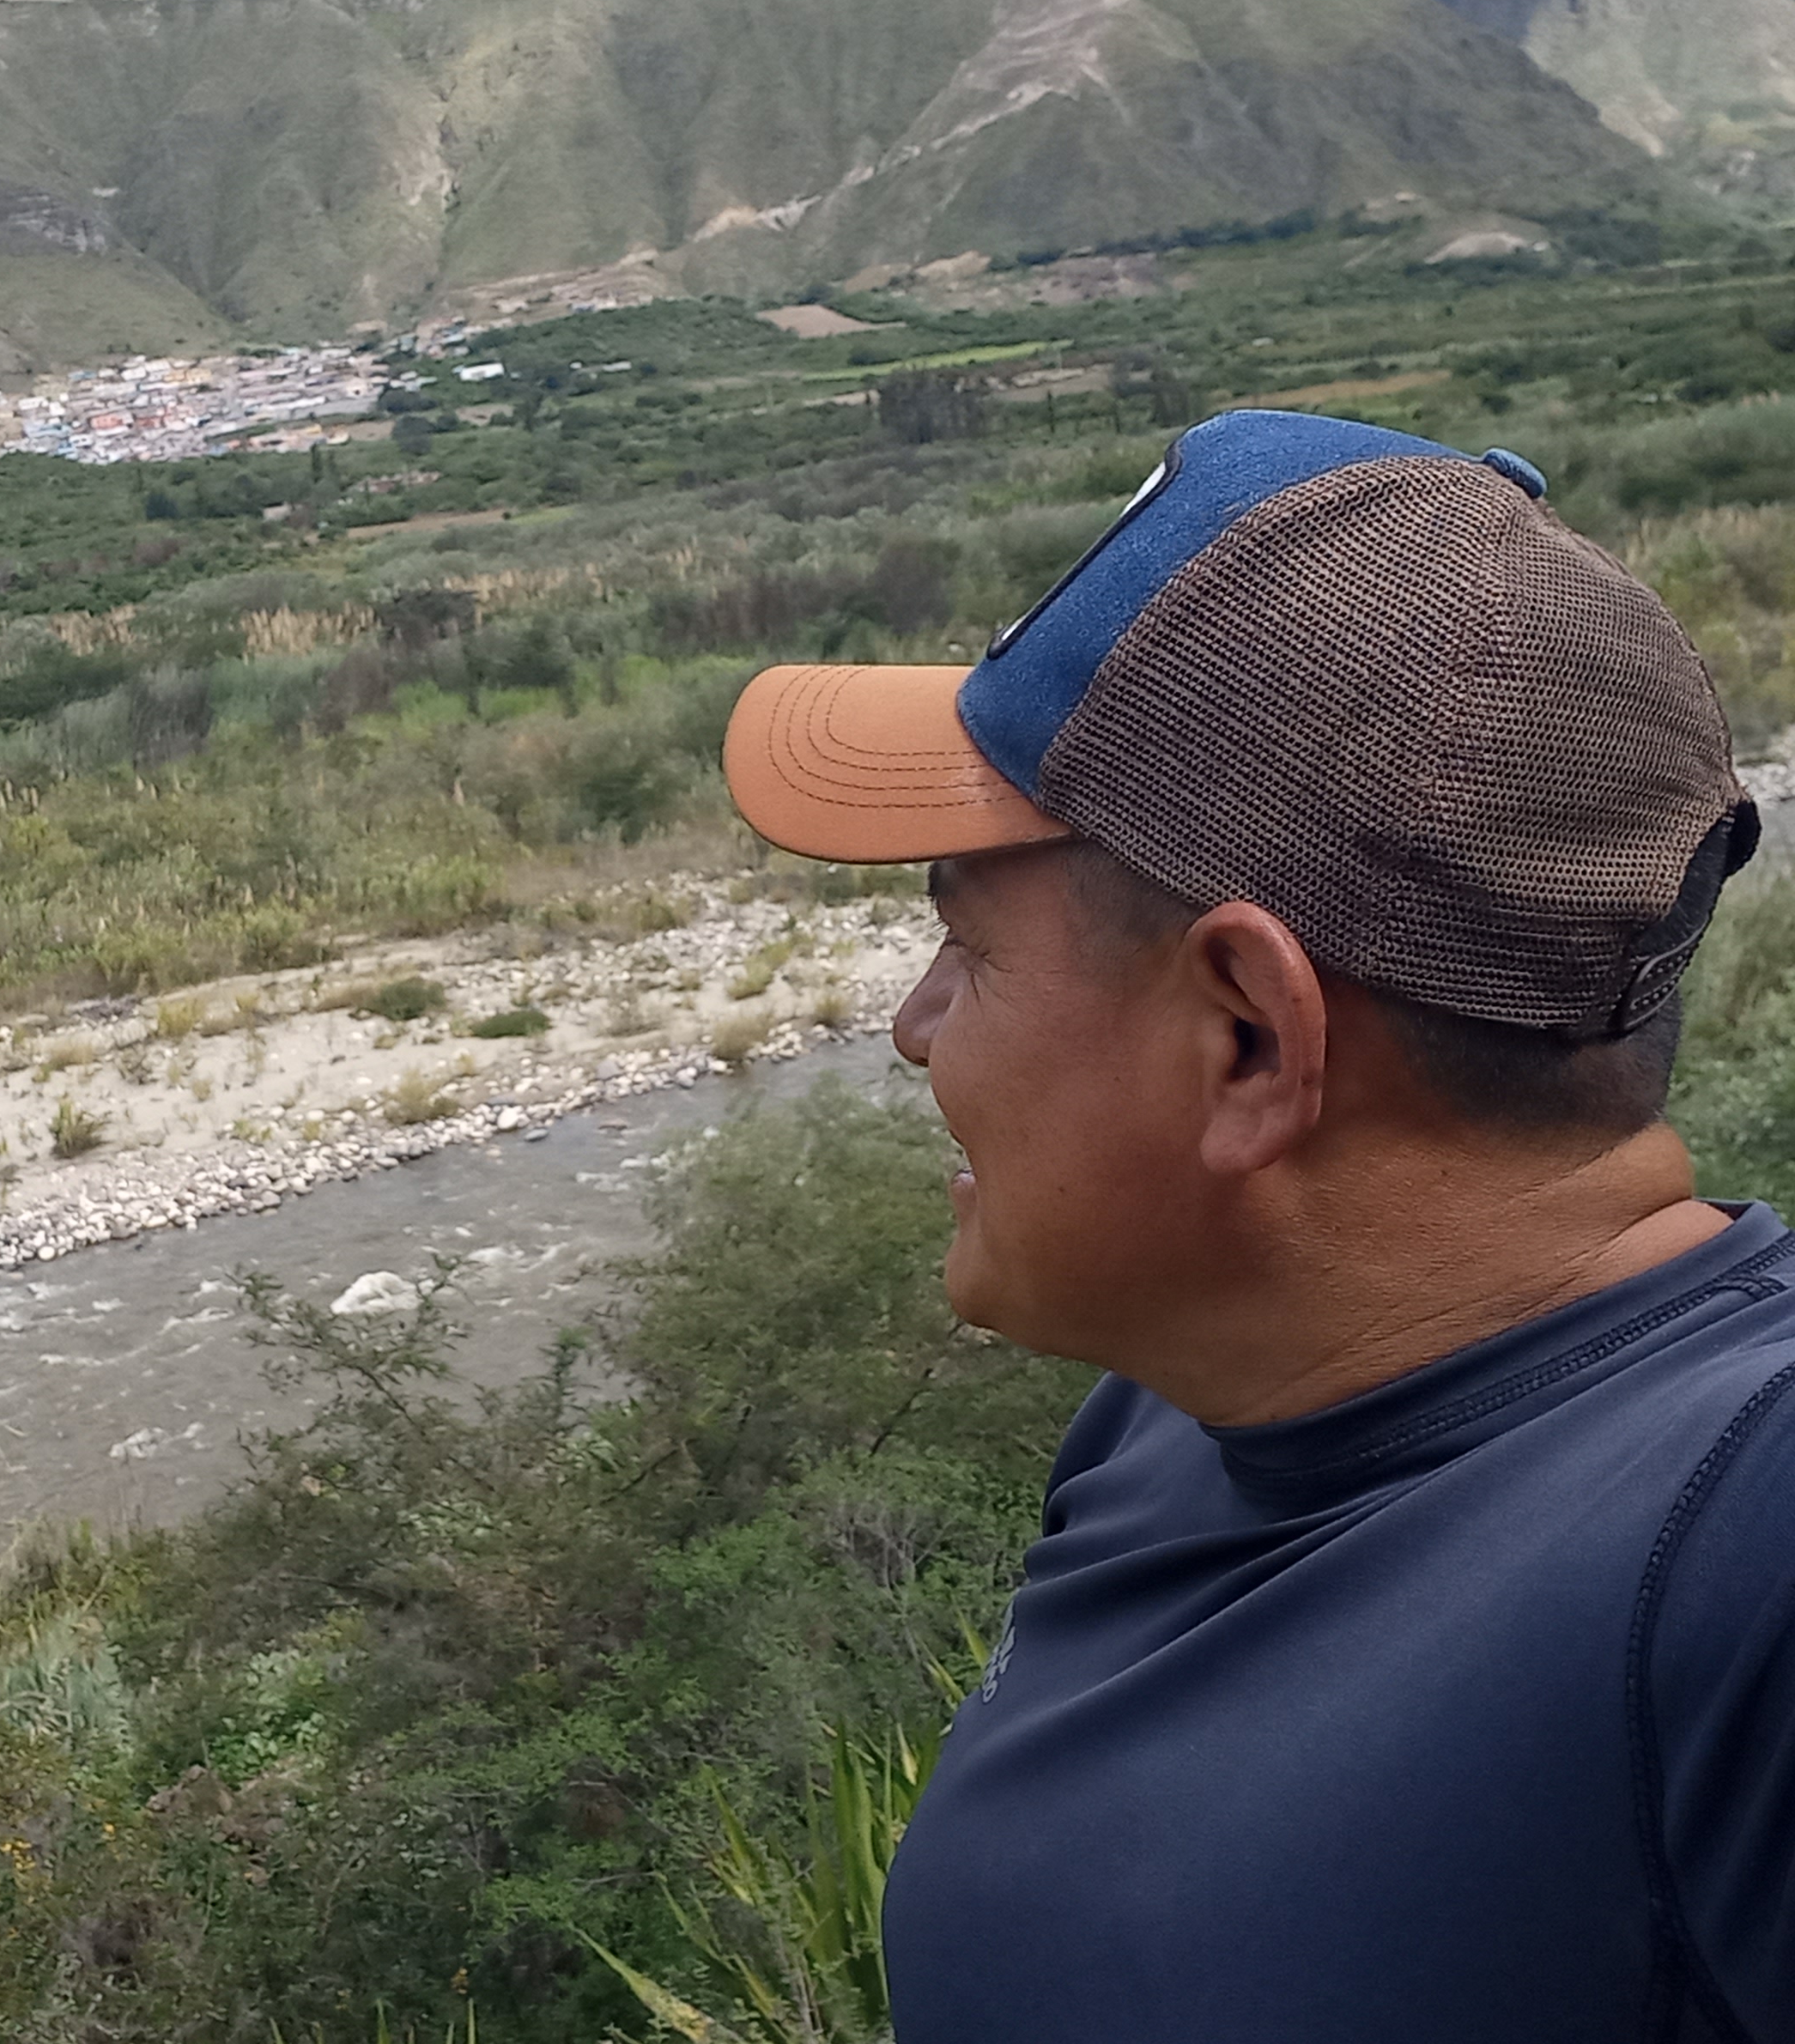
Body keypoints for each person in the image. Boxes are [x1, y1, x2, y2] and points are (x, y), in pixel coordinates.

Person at [720, 409, 1788, 2043]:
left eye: (968, 947)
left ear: (1249, 1041)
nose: (915, 1029)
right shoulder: (1177, 1418)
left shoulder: (1748, 1555)